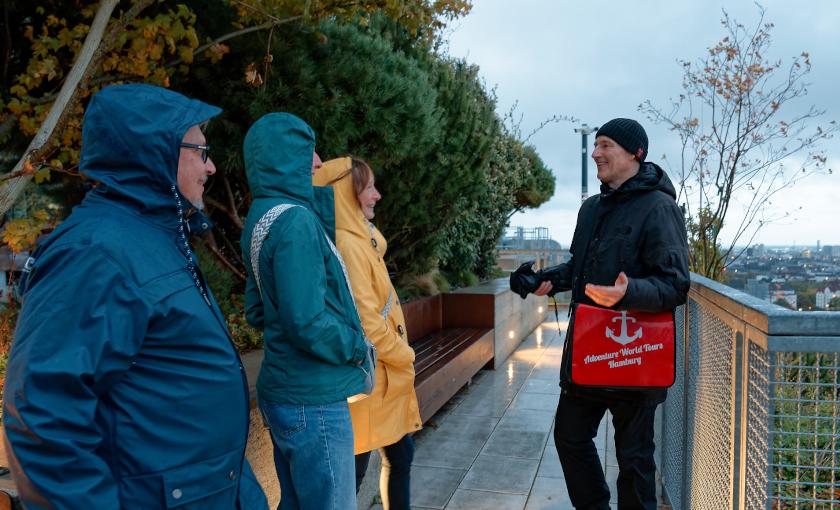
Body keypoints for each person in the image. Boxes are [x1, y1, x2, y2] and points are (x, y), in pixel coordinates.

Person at [2, 84, 268, 510]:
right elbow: (44, 419)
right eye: (201, 151)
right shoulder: (95, 253)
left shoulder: (155, 235)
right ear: (156, 150)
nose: (212, 166)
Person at [533, 118, 690, 509]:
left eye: (606, 146)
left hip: (635, 358)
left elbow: (675, 283)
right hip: (589, 353)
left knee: (635, 460)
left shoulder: (660, 208)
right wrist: (543, 280)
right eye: (596, 144)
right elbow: (578, 268)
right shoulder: (591, 209)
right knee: (569, 437)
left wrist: (628, 293)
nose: (596, 153)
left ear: (635, 153)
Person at [240, 113, 373, 510]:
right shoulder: (296, 221)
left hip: (283, 390)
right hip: (312, 398)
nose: (317, 162)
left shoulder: (262, 217)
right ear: (285, 157)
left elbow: (255, 310)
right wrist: (356, 345)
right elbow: (307, 321)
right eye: (307, 151)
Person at [313, 157, 421, 509]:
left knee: (398, 455)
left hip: (378, 373)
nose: (377, 194)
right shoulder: (348, 244)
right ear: (347, 193)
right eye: (368, 187)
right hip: (370, 375)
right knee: (355, 471)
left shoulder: (358, 239)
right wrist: (404, 354)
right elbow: (367, 320)